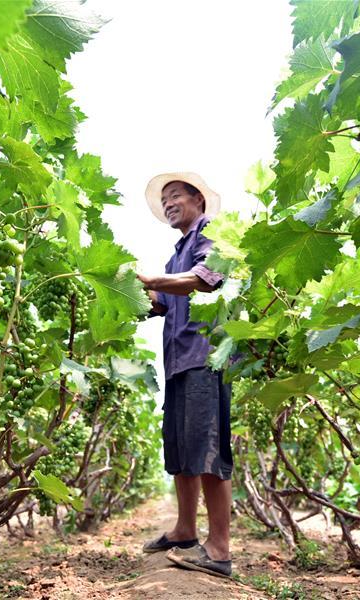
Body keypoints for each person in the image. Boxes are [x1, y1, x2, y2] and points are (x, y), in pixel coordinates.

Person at [136, 172, 233, 579]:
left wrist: (155, 281)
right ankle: (185, 530)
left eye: (175, 196)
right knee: (180, 447)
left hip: (204, 357)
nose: (169, 204)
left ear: (198, 199)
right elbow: (164, 301)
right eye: (165, 200)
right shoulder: (176, 252)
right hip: (177, 361)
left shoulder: (211, 234)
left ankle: (220, 550)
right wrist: (133, 292)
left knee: (207, 449)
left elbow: (205, 280)